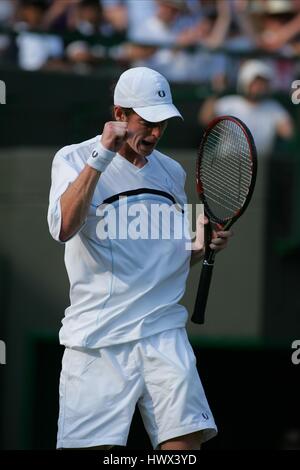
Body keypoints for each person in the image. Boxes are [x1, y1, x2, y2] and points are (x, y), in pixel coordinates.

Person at [47, 66, 232, 450]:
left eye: (162, 124)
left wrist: (201, 246)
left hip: (164, 333)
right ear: (119, 115)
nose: (155, 133)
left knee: (184, 447)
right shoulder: (74, 157)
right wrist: (100, 157)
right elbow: (64, 227)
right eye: (147, 122)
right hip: (98, 338)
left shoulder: (171, 171)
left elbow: (169, 257)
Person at [199, 60, 294, 157]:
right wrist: (215, 92)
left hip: (261, 165)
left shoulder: (273, 107)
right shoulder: (228, 103)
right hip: (227, 163)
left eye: (263, 83)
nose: (259, 87)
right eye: (255, 82)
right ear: (245, 82)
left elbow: (288, 133)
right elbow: (205, 119)